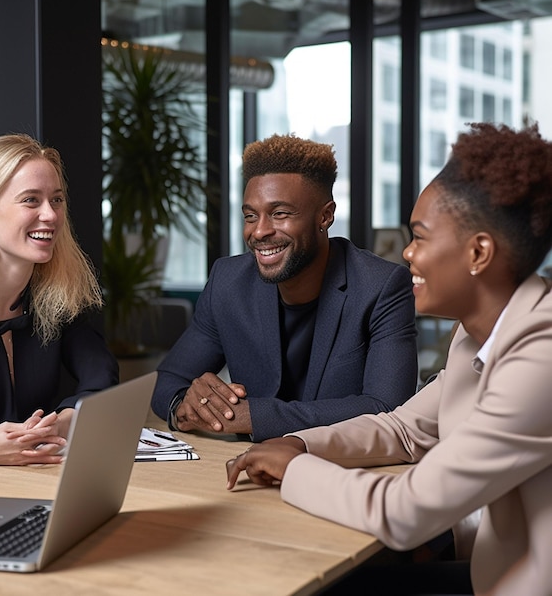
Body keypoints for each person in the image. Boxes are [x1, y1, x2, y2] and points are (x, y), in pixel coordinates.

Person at [226, 122, 552, 595]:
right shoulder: (476, 335)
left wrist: (293, 470)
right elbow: (404, 428)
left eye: (420, 237)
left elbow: (404, 513)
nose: (407, 253)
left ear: (478, 252)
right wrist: (298, 444)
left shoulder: (541, 358)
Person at [151, 133, 418, 442]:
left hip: (339, 471)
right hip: (247, 470)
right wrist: (188, 406)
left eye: (279, 214)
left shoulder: (381, 286)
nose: (260, 231)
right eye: (251, 216)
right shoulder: (228, 281)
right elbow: (168, 380)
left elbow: (387, 408)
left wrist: (256, 417)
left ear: (325, 216)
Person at [0, 134, 119, 466]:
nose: (51, 215)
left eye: (56, 200)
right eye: (31, 200)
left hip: (35, 476)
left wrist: (55, 426)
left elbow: (102, 381)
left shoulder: (59, 293)